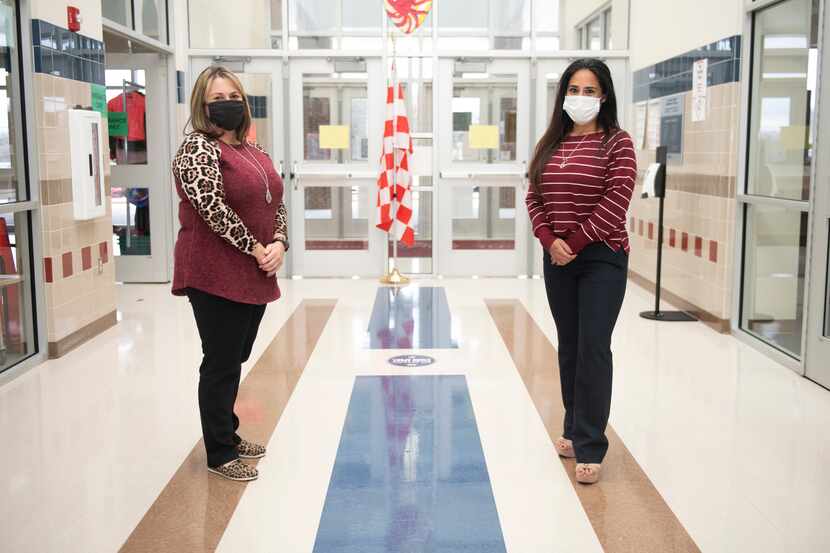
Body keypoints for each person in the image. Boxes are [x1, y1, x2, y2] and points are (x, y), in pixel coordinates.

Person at [171, 66, 289, 482]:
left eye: (235, 96)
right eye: (218, 97)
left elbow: (276, 200)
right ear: (204, 105)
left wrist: (279, 243)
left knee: (235, 358)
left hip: (253, 271)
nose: (229, 103)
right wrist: (258, 249)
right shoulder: (196, 149)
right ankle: (220, 452)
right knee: (220, 362)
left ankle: (230, 433)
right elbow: (212, 209)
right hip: (213, 272)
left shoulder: (253, 150)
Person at [526, 58, 636, 484]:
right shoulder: (550, 143)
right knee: (570, 345)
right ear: (563, 95)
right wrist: (547, 239)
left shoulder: (617, 143)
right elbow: (533, 194)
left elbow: (616, 201)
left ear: (604, 96)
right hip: (557, 258)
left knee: (593, 347)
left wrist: (571, 243)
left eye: (590, 91)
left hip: (601, 258)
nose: (582, 97)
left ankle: (590, 444)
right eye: (575, 89)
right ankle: (572, 429)